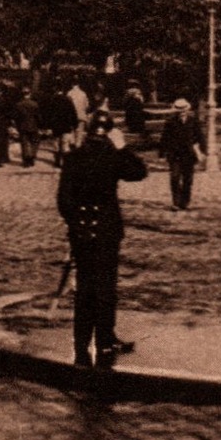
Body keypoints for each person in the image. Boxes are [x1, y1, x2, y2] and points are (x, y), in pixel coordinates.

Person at [56, 110, 148, 369]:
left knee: (85, 288)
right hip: (107, 230)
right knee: (106, 288)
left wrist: (76, 225)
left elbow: (64, 200)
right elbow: (139, 172)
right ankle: (105, 339)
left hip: (83, 232)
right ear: (108, 134)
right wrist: (122, 148)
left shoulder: (73, 158)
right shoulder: (112, 157)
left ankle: (81, 343)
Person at [157, 98, 207, 211]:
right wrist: (161, 154)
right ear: (176, 111)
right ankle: (176, 202)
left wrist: (204, 151)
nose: (182, 112)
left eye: (184, 109)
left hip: (189, 155)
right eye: (179, 110)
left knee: (187, 180)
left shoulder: (193, 121)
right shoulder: (170, 122)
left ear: (187, 110)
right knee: (174, 178)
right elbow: (164, 139)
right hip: (175, 155)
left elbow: (200, 136)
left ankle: (185, 202)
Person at [40, 87, 79, 168]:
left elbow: (48, 114)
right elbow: (73, 113)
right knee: (65, 144)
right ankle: (65, 162)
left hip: (56, 126)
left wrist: (47, 126)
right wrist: (75, 125)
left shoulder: (52, 100)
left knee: (56, 144)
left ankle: (57, 161)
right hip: (66, 126)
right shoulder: (68, 100)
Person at [15, 89, 41, 169]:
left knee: (24, 143)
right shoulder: (35, 104)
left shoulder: (18, 104)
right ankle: (32, 156)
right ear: (29, 94)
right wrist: (40, 125)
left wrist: (17, 126)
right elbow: (38, 116)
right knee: (34, 142)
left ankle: (26, 160)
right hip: (33, 126)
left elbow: (17, 117)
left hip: (22, 126)